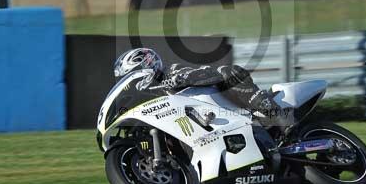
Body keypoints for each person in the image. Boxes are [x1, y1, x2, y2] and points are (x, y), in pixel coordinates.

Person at [113, 47, 288, 127]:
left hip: (229, 106)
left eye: (134, 73)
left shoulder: (172, 71)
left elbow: (210, 74)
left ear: (146, 64)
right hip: (205, 125)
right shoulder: (151, 97)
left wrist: (181, 79)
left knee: (228, 72)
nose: (133, 80)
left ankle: (276, 115)